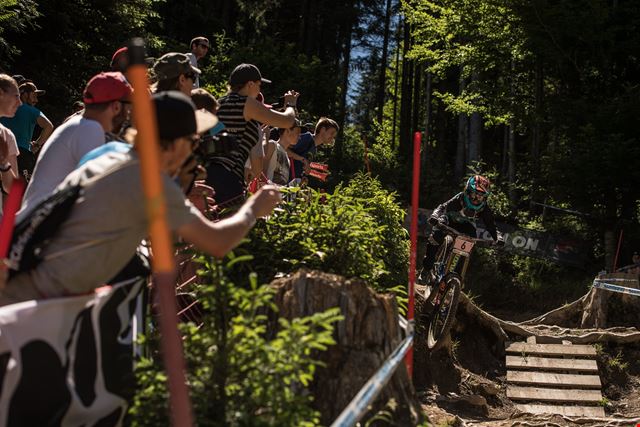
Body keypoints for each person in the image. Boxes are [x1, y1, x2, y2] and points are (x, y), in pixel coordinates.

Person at [0, 91, 281, 306]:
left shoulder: (111, 155)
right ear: (175, 143)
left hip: (21, 278)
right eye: (193, 141)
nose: (195, 149)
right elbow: (216, 242)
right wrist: (254, 207)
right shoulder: (151, 180)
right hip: (41, 303)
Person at [18, 72, 133, 216]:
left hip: (42, 218)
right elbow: (98, 188)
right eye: (129, 107)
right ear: (116, 107)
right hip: (44, 223)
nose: (129, 114)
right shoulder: (90, 129)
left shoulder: (79, 124)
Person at [206, 63, 298, 205]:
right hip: (229, 178)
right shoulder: (246, 103)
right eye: (259, 85)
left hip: (207, 175)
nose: (259, 90)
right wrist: (291, 105)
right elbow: (287, 121)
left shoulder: (219, 104)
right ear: (250, 84)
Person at [419, 175, 504, 283]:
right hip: (449, 220)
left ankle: (455, 276)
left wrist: (498, 237)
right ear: (468, 191)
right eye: (475, 194)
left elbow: (491, 225)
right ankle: (426, 269)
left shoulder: (484, 208)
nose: (476, 199)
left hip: (466, 226)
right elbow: (443, 207)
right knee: (436, 237)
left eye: (481, 197)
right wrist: (435, 216)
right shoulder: (460, 198)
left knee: (470, 242)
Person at [0, 81, 53, 181]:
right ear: (24, 94)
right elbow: (49, 126)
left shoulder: (4, 108)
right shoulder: (31, 111)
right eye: (34, 96)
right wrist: (37, 145)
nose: (36, 100)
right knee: (19, 187)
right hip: (21, 154)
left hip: (3, 152)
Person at [0, 74, 21, 213]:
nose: (20, 103)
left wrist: (4, 163)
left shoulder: (6, 135)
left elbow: (12, 188)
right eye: (16, 96)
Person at [263, 119, 302, 185]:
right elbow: (262, 173)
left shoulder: (287, 158)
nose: (299, 137)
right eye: (297, 132)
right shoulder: (272, 145)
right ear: (287, 130)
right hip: (266, 190)